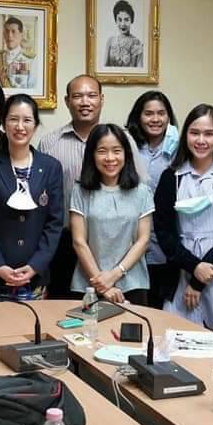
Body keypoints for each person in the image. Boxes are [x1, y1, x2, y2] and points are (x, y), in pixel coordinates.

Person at [38, 75, 147, 298]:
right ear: (67, 101)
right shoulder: (50, 143)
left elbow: (139, 188)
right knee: (69, 311)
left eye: (91, 95)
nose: (85, 102)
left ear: (101, 99)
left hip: (120, 245)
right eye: (78, 96)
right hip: (67, 243)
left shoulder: (124, 140)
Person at [154, 105, 213, 333]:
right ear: (185, 135)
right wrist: (194, 267)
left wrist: (199, 280)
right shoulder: (170, 177)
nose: (201, 140)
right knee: (177, 339)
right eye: (194, 133)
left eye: (209, 134)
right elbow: (163, 231)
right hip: (180, 268)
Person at [0, 94, 64, 302]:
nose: (20, 126)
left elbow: (54, 223)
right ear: (3, 123)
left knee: (32, 325)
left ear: (35, 125)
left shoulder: (51, 167)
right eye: (13, 119)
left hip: (33, 278)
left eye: (27, 120)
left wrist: (35, 266)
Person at [70, 124, 154, 305]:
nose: (110, 158)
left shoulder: (142, 192)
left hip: (132, 284)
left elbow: (143, 240)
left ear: (126, 154)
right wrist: (103, 285)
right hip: (89, 285)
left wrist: (115, 274)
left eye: (117, 151)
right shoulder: (80, 191)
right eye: (102, 151)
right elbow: (79, 241)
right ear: (92, 155)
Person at [126, 91, 180, 308]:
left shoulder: (178, 148)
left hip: (165, 239)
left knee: (160, 305)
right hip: (131, 238)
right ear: (138, 117)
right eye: (148, 114)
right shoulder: (128, 145)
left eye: (161, 113)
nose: (155, 119)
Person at [0, 16, 37, 88]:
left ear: (21, 35)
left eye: (13, 31)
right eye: (7, 31)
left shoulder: (31, 59)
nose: (9, 35)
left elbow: (33, 88)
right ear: (4, 34)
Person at [103, 0, 143, 68]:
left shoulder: (137, 43)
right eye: (120, 19)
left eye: (126, 19)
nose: (123, 24)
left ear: (131, 20)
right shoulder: (110, 41)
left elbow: (140, 70)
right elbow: (104, 68)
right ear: (116, 20)